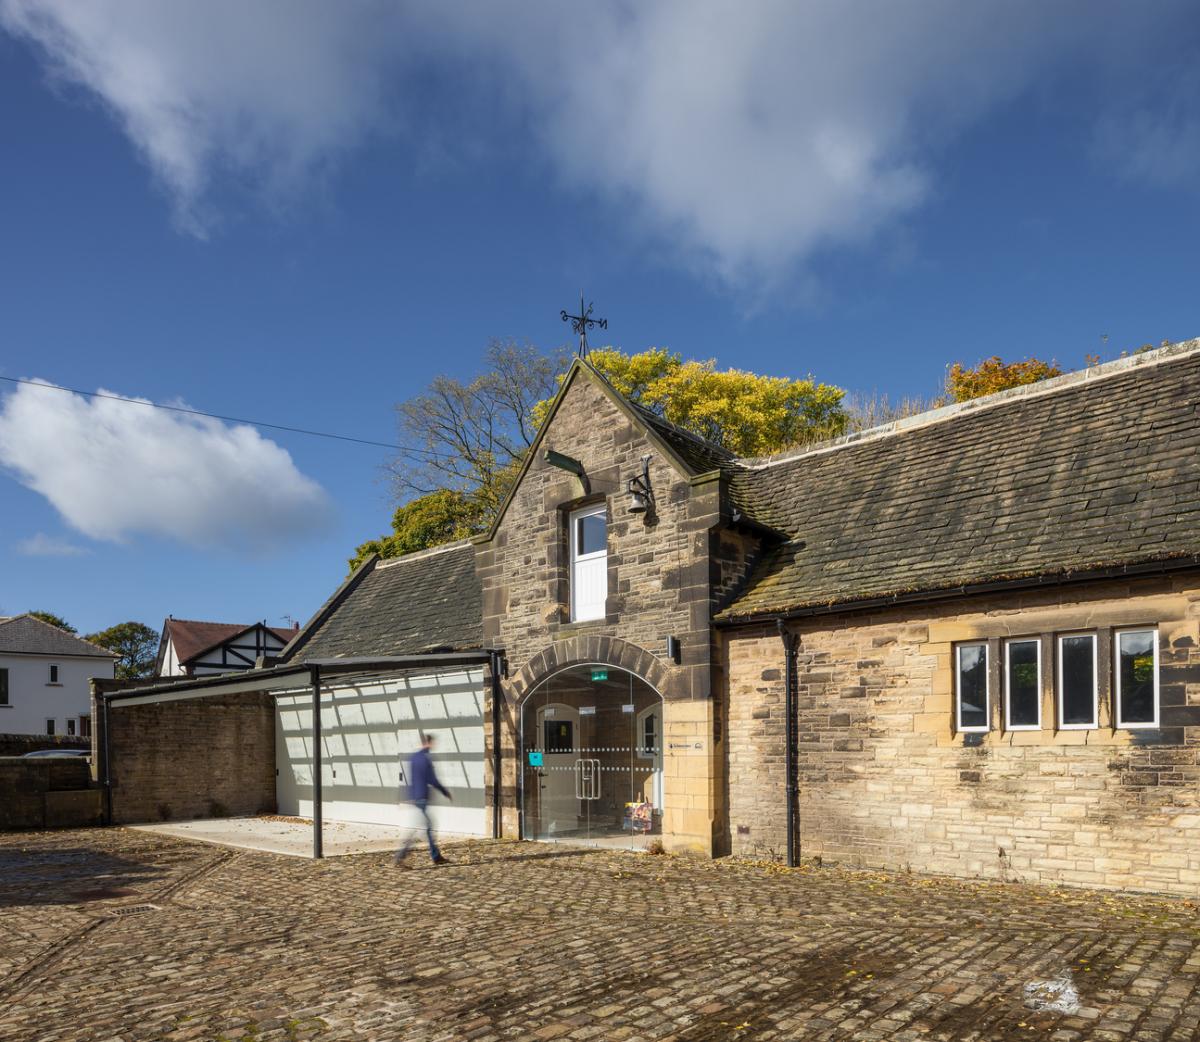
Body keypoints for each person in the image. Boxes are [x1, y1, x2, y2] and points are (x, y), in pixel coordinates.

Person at [395, 731, 452, 866]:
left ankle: (435, 856)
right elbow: (432, 779)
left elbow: (412, 778)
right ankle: (401, 856)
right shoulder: (426, 759)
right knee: (426, 827)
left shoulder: (413, 758)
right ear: (429, 743)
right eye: (433, 743)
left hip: (415, 797)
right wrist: (445, 792)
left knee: (427, 826)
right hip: (422, 798)